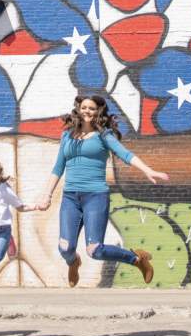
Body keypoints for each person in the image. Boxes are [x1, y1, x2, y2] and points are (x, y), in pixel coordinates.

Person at [37, 94, 169, 287]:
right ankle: (73, 262)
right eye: (84, 108)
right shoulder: (67, 135)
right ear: (78, 109)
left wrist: (148, 170)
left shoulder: (103, 135)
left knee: (95, 250)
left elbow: (125, 154)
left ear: (98, 112)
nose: (87, 111)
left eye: (91, 108)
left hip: (95, 196)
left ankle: (136, 259)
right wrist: (46, 195)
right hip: (71, 197)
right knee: (65, 248)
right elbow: (58, 168)